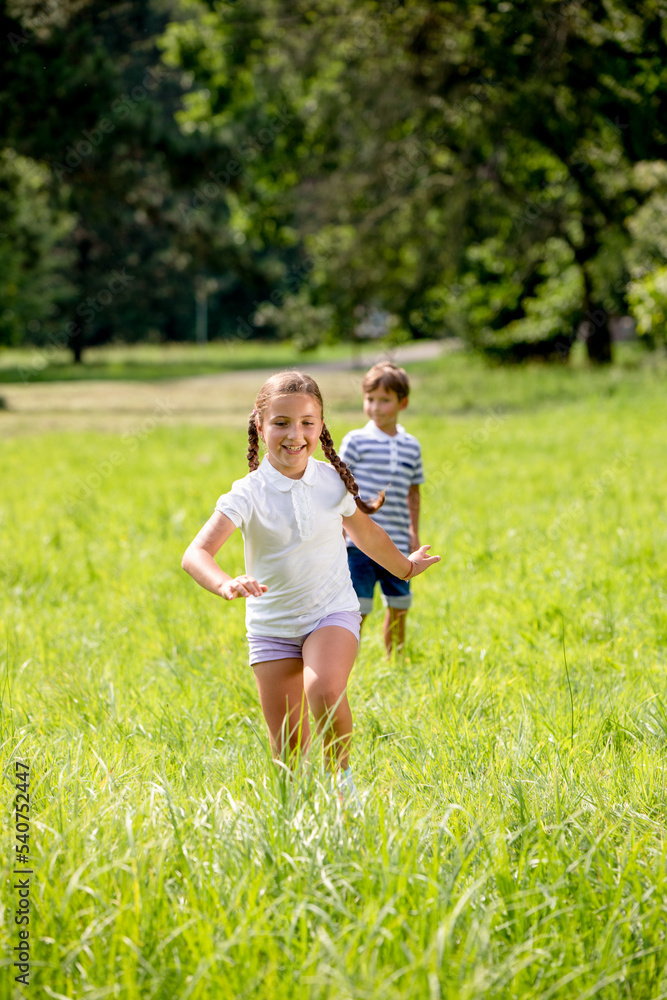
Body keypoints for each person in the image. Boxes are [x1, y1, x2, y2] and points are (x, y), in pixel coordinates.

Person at [181, 370, 440, 794]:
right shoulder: (247, 493)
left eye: (307, 422)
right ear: (260, 425)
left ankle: (343, 785)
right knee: (288, 751)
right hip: (271, 629)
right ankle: (298, 817)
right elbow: (195, 554)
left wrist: (405, 567)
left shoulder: (330, 481)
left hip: (330, 612)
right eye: (281, 423)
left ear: (321, 427)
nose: (294, 434)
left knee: (323, 688)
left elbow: (366, 534)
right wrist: (225, 583)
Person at [339, 362, 424, 655]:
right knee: (357, 608)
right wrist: (339, 530)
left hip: (397, 542)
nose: (375, 407)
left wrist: (414, 531)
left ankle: (395, 659)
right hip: (358, 543)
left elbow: (414, 493)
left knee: (399, 606)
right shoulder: (355, 441)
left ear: (403, 403)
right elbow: (339, 487)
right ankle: (348, 663)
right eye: (370, 399)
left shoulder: (412, 446)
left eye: (384, 400)